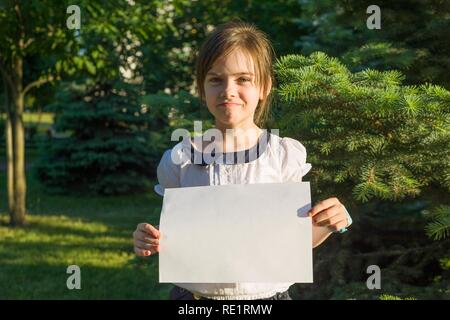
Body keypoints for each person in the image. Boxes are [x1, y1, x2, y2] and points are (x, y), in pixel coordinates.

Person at [133, 20, 352, 300]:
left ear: (264, 87)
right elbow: (178, 235)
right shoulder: (180, 159)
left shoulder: (283, 156)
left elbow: (291, 242)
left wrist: (331, 222)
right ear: (201, 88)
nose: (228, 91)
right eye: (216, 80)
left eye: (243, 79)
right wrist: (148, 238)